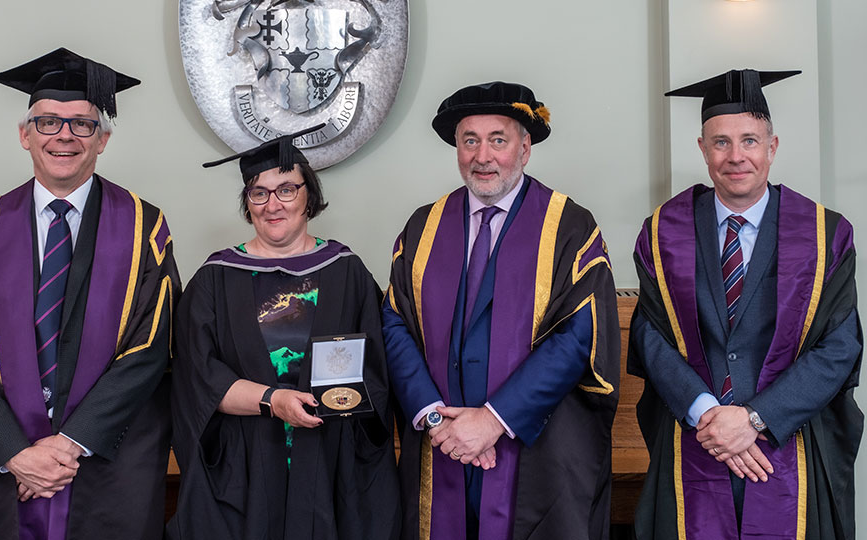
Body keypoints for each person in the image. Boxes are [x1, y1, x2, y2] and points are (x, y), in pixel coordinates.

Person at [0, 48, 181, 540]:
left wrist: (69, 445)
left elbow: (151, 348)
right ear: (24, 135)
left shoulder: (145, 228)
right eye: (47, 122)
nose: (64, 136)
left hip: (100, 462)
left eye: (82, 125)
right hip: (3, 467)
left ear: (103, 139)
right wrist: (17, 453)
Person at [629, 69, 862, 539]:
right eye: (721, 143)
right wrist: (706, 414)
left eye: (750, 141)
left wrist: (755, 419)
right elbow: (649, 334)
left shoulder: (825, 234)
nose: (736, 157)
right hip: (696, 440)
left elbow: (839, 347)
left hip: (789, 443)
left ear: (772, 147)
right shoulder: (662, 234)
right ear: (701, 149)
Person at [383, 81, 620, 540]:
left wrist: (494, 419)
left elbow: (579, 336)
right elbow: (395, 322)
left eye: (498, 140)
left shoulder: (569, 225)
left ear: (525, 148)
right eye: (470, 140)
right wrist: (434, 417)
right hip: (443, 443)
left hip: (533, 446)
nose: (482, 156)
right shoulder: (423, 226)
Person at [167, 126, 401, 540]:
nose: (272, 204)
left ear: (308, 194)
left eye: (287, 189)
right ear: (248, 203)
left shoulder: (347, 272)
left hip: (333, 463)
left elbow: (379, 372)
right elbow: (196, 378)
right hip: (245, 467)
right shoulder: (215, 279)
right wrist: (273, 401)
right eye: (259, 192)